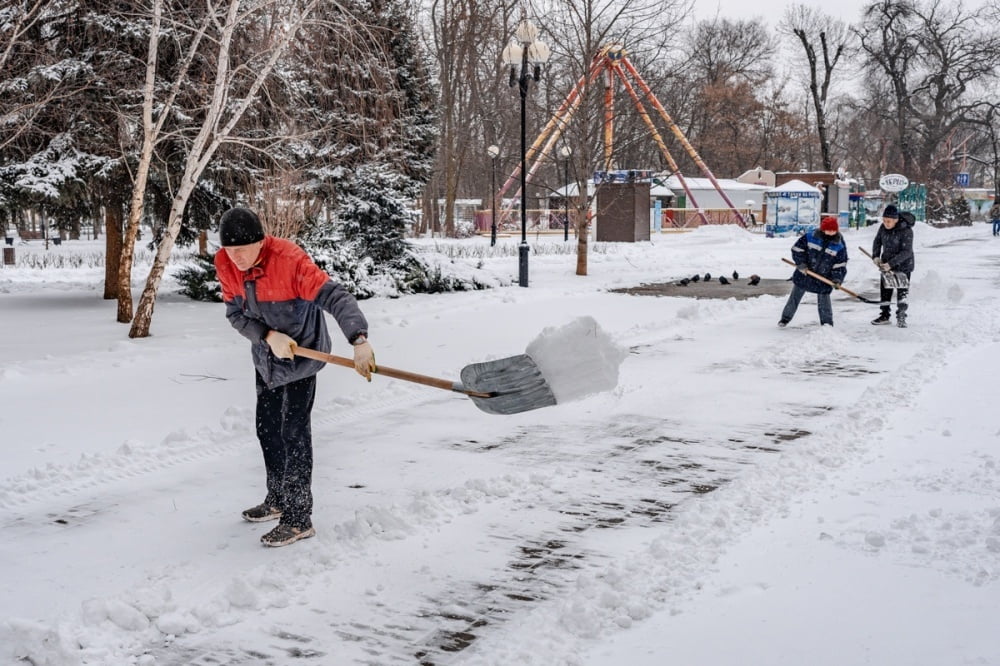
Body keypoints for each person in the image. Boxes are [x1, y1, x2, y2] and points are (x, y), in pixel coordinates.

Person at [214, 207, 376, 547]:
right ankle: (277, 499)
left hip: (303, 357)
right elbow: (234, 313)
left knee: (293, 433)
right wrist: (265, 335)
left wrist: (358, 340)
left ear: (262, 241)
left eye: (243, 249)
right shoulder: (226, 264)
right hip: (268, 360)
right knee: (267, 429)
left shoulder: (289, 259)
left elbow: (334, 296)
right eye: (230, 250)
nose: (237, 257)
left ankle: (298, 518)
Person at [778, 215, 848, 328]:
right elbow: (797, 249)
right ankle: (785, 319)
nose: (831, 232)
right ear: (822, 229)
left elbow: (840, 265)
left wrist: (837, 279)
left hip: (824, 278)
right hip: (805, 274)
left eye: (833, 230)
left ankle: (827, 324)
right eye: (828, 230)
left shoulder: (839, 245)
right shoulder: (811, 236)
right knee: (794, 297)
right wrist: (801, 264)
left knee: (824, 300)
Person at [870, 204, 915, 328]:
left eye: (889, 221)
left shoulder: (906, 230)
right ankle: (884, 315)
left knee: (902, 292)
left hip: (904, 265)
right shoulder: (883, 227)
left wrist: (891, 264)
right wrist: (876, 256)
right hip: (886, 264)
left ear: (896, 220)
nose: (886, 223)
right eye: (884, 220)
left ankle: (901, 315)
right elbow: (877, 241)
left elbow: (907, 252)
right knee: (885, 291)